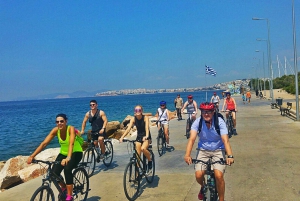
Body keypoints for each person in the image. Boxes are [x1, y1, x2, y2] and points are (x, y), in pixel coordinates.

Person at [184, 102, 234, 201]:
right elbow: (192, 139)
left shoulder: (219, 122)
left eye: (209, 112)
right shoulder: (198, 122)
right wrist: (187, 154)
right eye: (204, 112)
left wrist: (230, 156)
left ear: (213, 112)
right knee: (198, 175)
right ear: (201, 112)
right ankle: (203, 186)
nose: (206, 114)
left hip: (218, 150)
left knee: (219, 176)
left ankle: (222, 199)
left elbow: (225, 140)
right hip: (203, 150)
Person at [27, 114, 83, 201]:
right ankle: (64, 187)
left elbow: (71, 144)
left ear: (66, 121)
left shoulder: (70, 129)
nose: (59, 123)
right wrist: (32, 156)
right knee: (53, 173)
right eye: (57, 122)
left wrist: (68, 158)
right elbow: (44, 144)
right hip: (63, 153)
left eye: (61, 121)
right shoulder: (55, 130)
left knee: (67, 169)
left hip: (75, 152)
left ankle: (69, 195)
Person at [119, 105, 152, 171]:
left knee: (143, 149)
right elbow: (128, 129)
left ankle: (149, 160)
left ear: (142, 111)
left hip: (146, 136)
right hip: (139, 137)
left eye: (139, 110)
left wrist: (146, 136)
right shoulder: (133, 119)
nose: (138, 112)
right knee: (138, 156)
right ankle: (137, 176)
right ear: (134, 111)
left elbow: (147, 128)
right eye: (136, 110)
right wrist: (122, 137)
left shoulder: (145, 118)